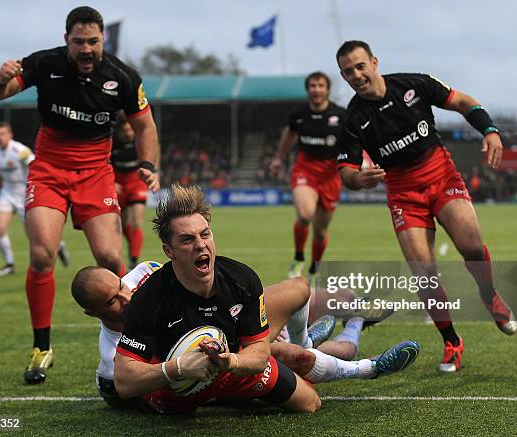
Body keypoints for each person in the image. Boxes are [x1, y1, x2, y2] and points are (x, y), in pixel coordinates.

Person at [111, 185, 418, 413]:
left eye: (205, 234)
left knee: (309, 403)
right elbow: (124, 382)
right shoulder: (150, 296)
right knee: (290, 354)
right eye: (187, 239)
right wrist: (177, 368)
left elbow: (256, 353)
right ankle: (367, 365)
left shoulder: (241, 280)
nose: (200, 245)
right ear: (169, 250)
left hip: (232, 363)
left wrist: (230, 361)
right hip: (175, 393)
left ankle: (335, 330)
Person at [0, 6, 160, 384]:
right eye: (78, 41)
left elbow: (145, 126)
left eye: (93, 41)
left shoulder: (122, 77)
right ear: (67, 40)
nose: (86, 49)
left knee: (112, 258)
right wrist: (0, 78)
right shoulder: (44, 64)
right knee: (43, 254)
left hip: (96, 173)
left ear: (102, 41)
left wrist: (149, 164)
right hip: (48, 169)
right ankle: (42, 348)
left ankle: (135, 340)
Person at [335, 40, 517, 373]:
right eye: (348, 71)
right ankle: (451, 341)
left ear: (374, 61)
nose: (356, 75)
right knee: (424, 274)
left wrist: (489, 130)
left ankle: (489, 295)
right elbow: (345, 171)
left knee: (472, 247)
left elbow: (463, 101)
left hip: (442, 176)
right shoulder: (352, 119)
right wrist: (358, 180)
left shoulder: (414, 84)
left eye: (360, 66)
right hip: (403, 194)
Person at [269, 72, 346, 279]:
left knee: (320, 231)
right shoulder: (298, 115)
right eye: (313, 85)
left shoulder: (341, 114)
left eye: (321, 85)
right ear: (308, 89)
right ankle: (298, 258)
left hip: (331, 175)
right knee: (305, 215)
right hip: (306, 170)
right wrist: (278, 157)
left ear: (327, 89)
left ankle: (314, 269)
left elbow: (354, 139)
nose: (317, 89)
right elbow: (289, 135)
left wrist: (363, 160)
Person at [0, 122, 70, 276]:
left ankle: (58, 246)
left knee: (34, 236)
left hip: (25, 194)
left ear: (10, 135)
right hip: (6, 193)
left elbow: (37, 166)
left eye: (2, 134)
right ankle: (9, 264)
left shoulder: (20, 151)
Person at [111, 114, 148, 270]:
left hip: (136, 181)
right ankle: (131, 248)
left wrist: (154, 170)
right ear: (118, 131)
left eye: (129, 130)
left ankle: (133, 260)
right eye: (124, 131)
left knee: (135, 221)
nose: (127, 134)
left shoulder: (141, 138)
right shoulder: (111, 142)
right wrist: (110, 182)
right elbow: (102, 163)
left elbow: (155, 148)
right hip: (117, 181)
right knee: (124, 224)